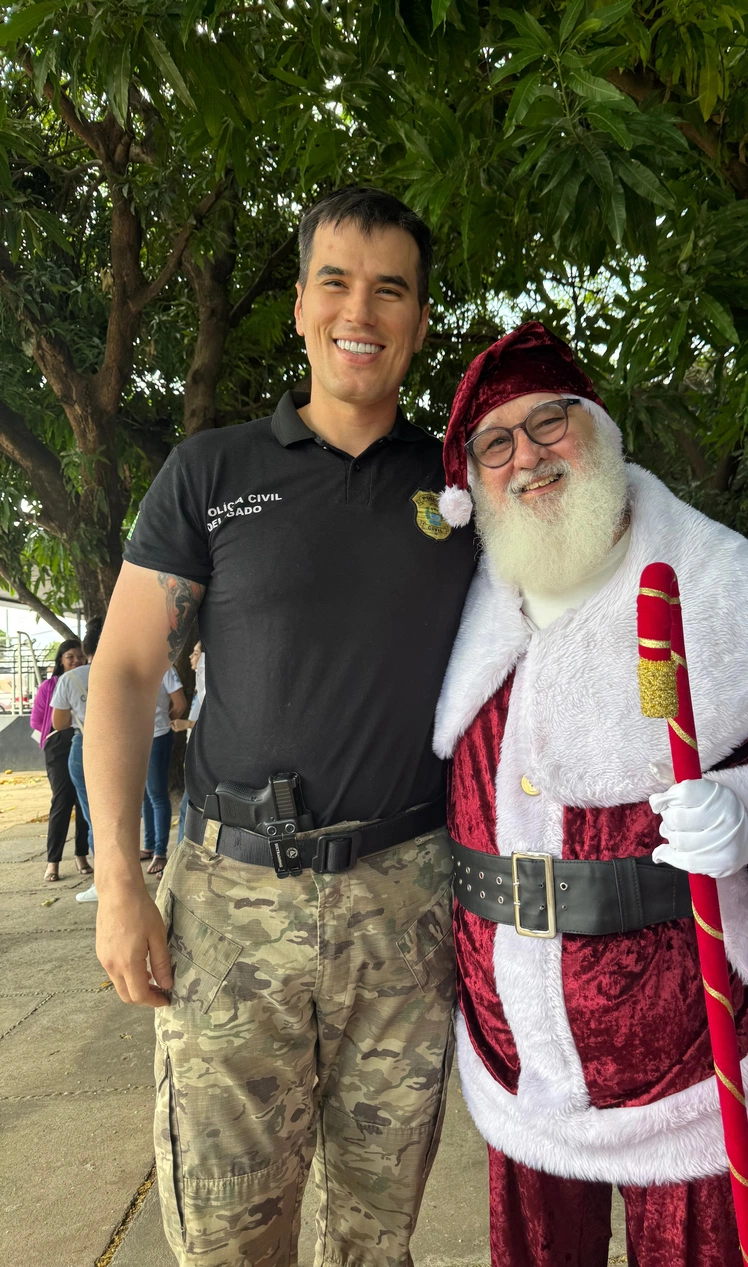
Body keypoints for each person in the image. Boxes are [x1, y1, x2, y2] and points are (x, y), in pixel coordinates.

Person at [84, 187, 477, 1267]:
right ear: (302, 304)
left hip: (405, 906)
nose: (362, 309)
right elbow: (122, 672)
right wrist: (120, 881)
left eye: (390, 288)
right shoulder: (211, 473)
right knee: (225, 1235)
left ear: (418, 318)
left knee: (374, 1233)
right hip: (228, 908)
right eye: (337, 282)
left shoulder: (459, 488)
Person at [432, 324, 748, 1267]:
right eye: (496, 444)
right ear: (474, 479)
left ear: (597, 431)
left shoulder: (717, 580)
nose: (528, 458)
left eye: (549, 425)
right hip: (520, 1053)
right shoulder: (467, 600)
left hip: (687, 1050)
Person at [51, 617, 104, 904]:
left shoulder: (70, 678)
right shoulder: (125, 671)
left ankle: (104, 881)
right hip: (124, 747)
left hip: (85, 746)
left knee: (93, 815)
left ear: (85, 648)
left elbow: (59, 724)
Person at [32, 638, 92, 881]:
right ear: (60, 660)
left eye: (79, 655)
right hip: (58, 745)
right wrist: (49, 736)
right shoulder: (50, 685)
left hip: (83, 741)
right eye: (70, 656)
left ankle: (81, 855)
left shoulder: (90, 679)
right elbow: (37, 719)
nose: (75, 660)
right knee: (61, 801)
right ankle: (52, 861)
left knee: (83, 801)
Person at [140, 666, 187, 874]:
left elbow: (180, 704)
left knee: (157, 794)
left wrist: (163, 722)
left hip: (157, 736)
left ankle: (160, 852)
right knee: (145, 795)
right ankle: (149, 845)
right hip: (136, 736)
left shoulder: (164, 668)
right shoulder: (131, 663)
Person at [171, 641, 204, 847]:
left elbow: (219, 723)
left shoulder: (211, 687)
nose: (191, 657)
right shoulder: (200, 686)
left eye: (196, 653)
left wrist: (188, 723)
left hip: (203, 758)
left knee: (188, 810)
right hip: (195, 754)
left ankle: (180, 859)